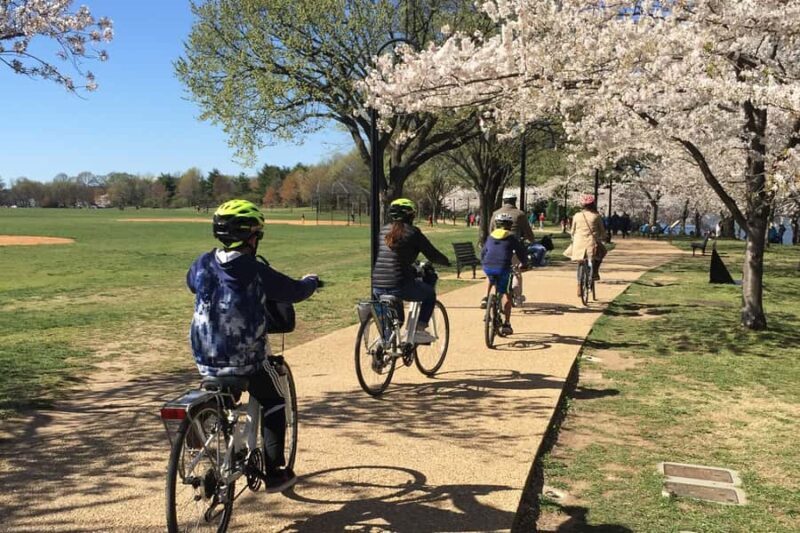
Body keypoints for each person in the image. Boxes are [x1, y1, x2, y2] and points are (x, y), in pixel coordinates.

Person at [186, 199, 319, 492]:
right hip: (246, 359)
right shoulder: (255, 270)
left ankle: (209, 412)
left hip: (205, 356)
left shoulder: (201, 263)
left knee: (224, 384)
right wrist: (311, 281)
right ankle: (274, 471)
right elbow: (294, 291)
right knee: (273, 398)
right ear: (250, 237)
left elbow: (192, 283)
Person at [372, 198, 451, 344]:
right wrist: (446, 262)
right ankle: (419, 330)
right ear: (411, 215)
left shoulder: (383, 230)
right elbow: (432, 254)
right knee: (429, 294)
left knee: (397, 321)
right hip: (399, 284)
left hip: (376, 285)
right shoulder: (413, 232)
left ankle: (383, 345)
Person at [481, 213, 529, 335]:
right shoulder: (511, 237)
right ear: (510, 226)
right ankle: (507, 324)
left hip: (488, 266)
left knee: (490, 277)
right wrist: (524, 263)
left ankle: (486, 299)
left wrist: (484, 262)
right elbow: (521, 251)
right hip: (503, 267)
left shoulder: (490, 237)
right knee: (507, 294)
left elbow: (483, 251)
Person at [569, 194, 607, 295]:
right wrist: (603, 237)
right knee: (602, 252)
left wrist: (574, 237)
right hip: (591, 243)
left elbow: (572, 230)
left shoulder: (577, 216)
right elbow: (602, 231)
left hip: (578, 243)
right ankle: (594, 272)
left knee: (580, 262)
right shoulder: (596, 216)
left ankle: (578, 285)